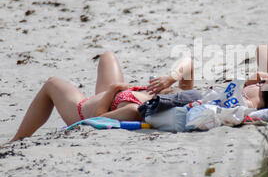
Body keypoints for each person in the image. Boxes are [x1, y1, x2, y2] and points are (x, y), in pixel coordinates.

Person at [10, 51, 194, 142]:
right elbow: (188, 62)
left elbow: (98, 118)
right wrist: (170, 79)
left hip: (84, 109)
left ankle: (17, 139)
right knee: (108, 56)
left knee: (51, 83)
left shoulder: (132, 110)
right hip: (116, 93)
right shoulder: (179, 97)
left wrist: (113, 89)